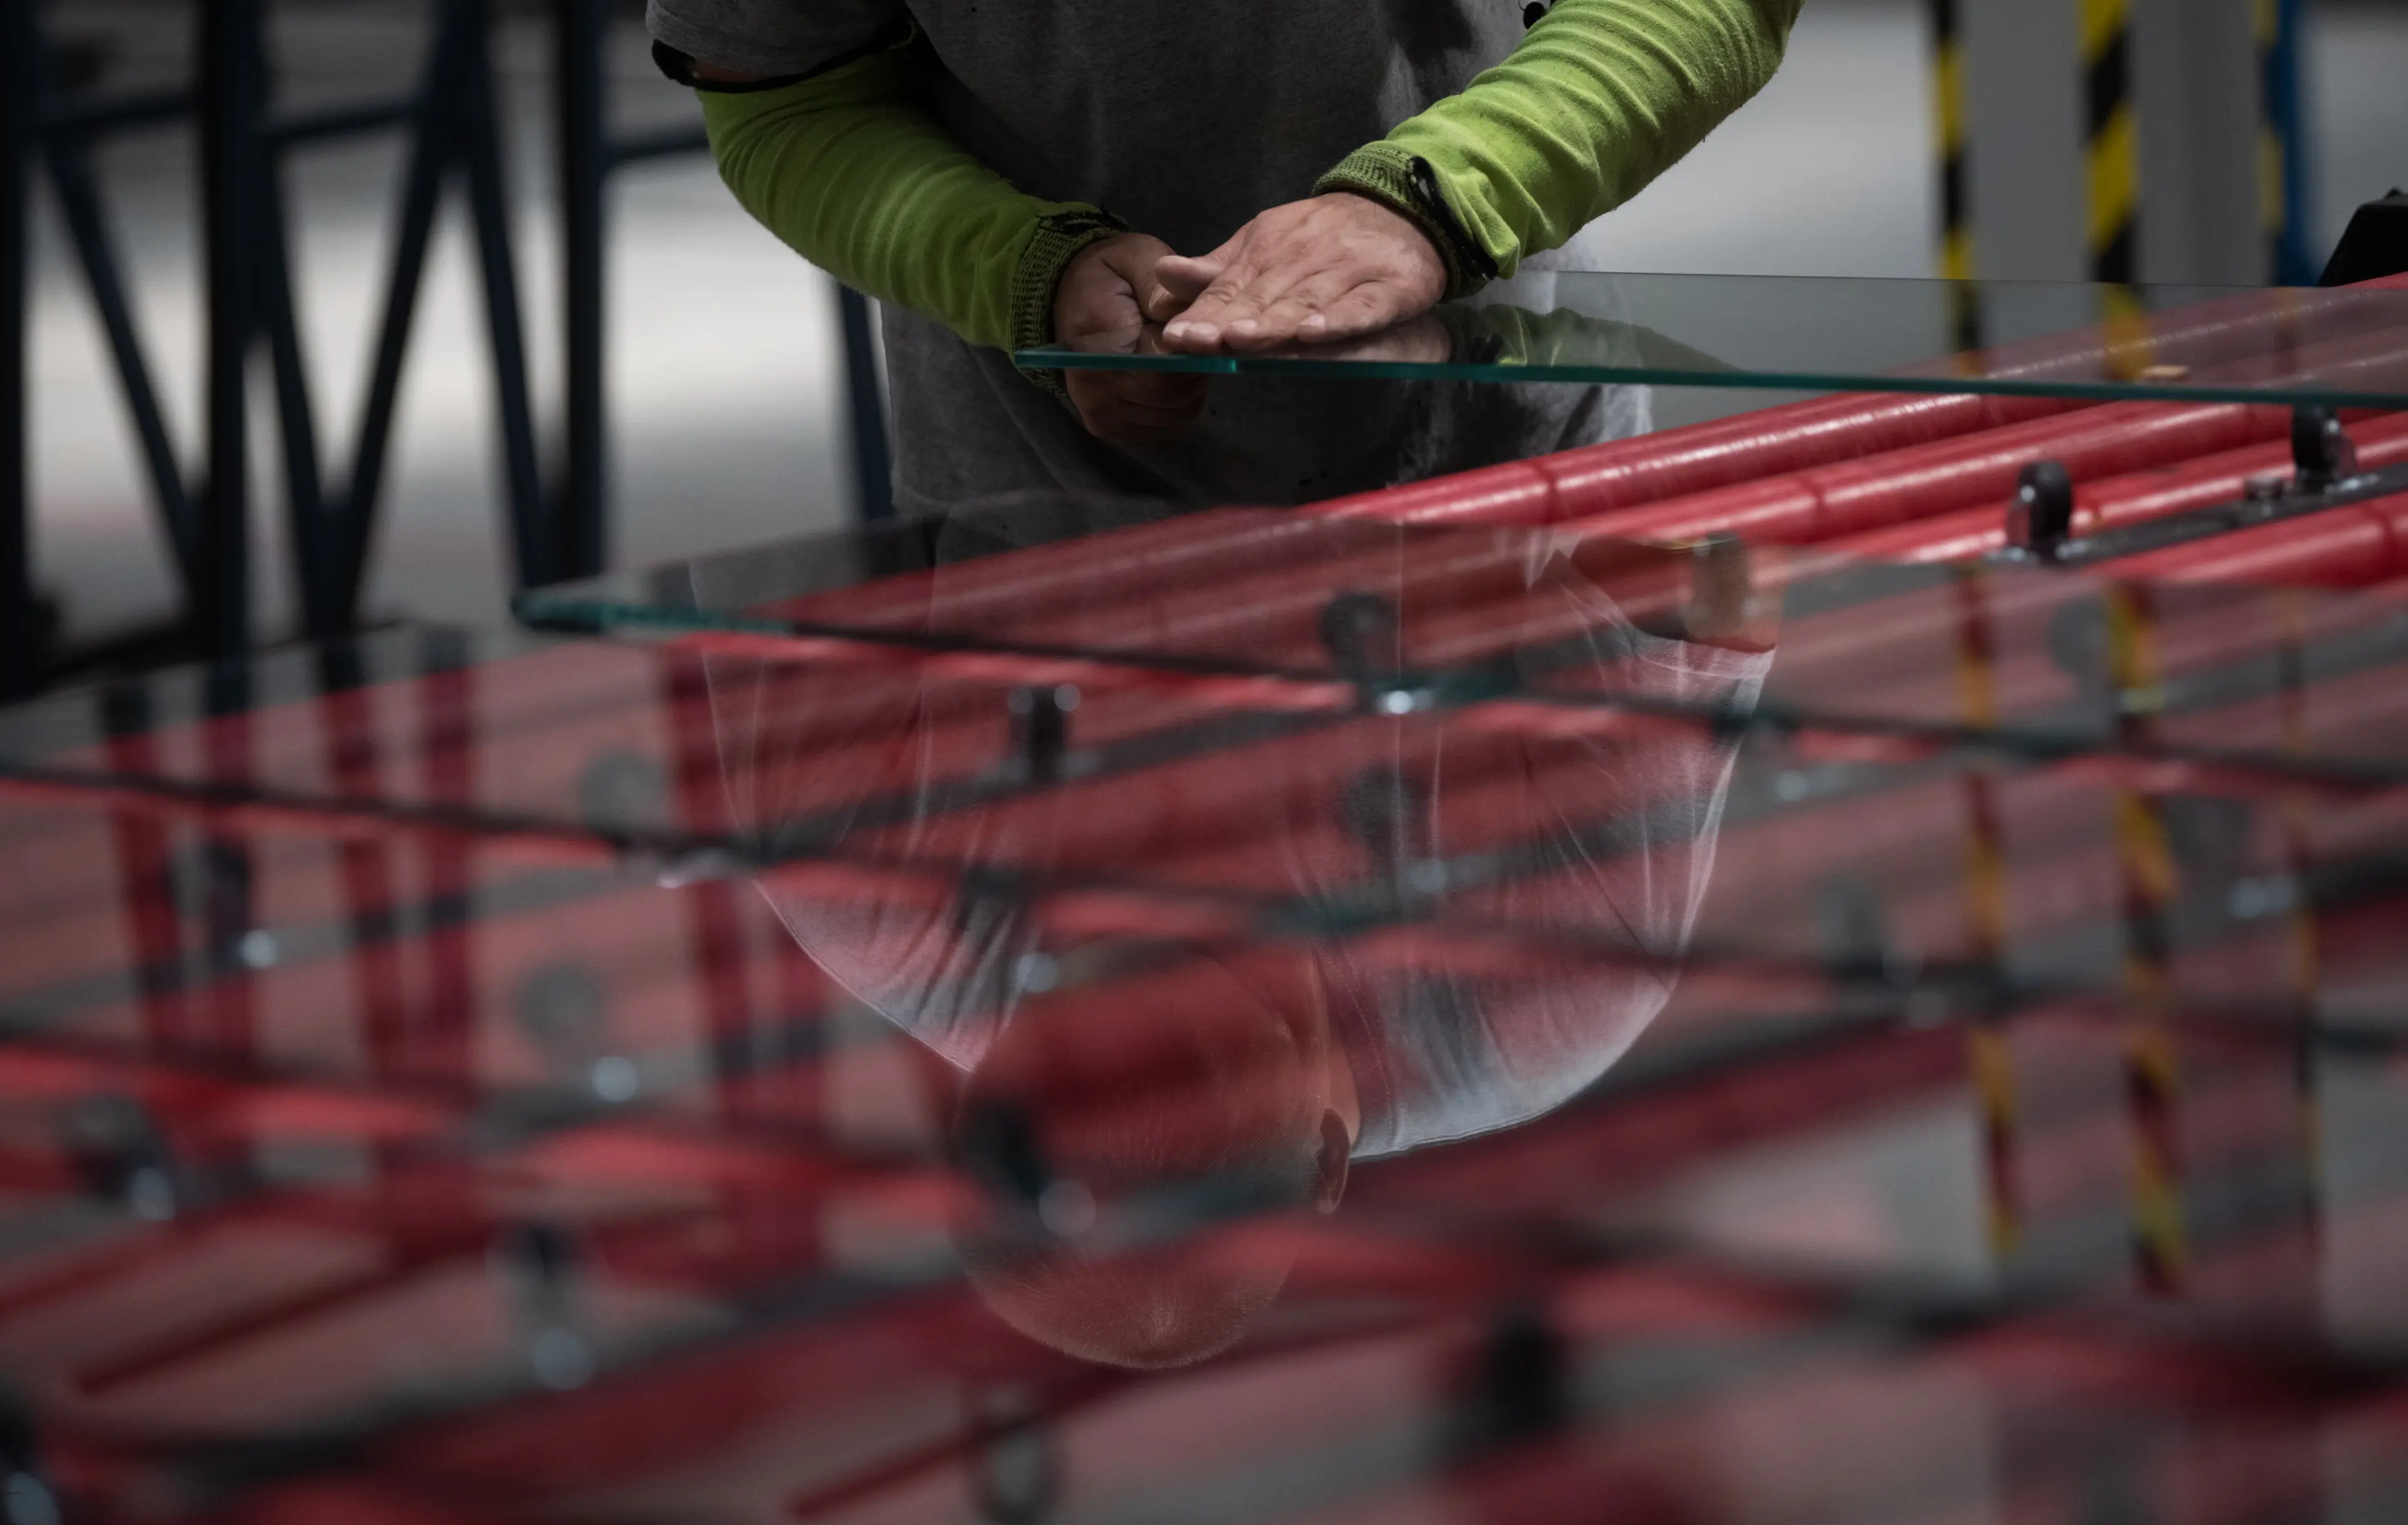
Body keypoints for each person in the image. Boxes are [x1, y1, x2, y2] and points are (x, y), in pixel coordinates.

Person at [695, 513, 1779, 1367]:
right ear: (1325, 1150)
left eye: (1071, 1010)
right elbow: (1709, 551)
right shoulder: (1540, 991)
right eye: (1198, 1006)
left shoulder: (869, 890)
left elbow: (770, 487)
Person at [645, 0, 1802, 512]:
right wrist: (1017, 265)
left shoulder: (1542, 996)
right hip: (1043, 532)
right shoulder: (950, 948)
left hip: (1520, 507)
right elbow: (784, 93)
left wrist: (1438, 198)